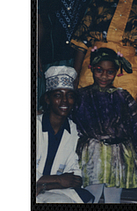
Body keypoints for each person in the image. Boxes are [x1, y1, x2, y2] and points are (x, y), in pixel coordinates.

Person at [71, 47, 137, 203]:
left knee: (113, 197)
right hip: (93, 154)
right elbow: (70, 120)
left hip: (117, 155)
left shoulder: (123, 96)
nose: (104, 76)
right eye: (99, 70)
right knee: (90, 194)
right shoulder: (81, 96)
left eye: (110, 72)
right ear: (92, 68)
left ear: (117, 72)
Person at [38, 0, 112, 108]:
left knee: (80, 106)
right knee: (51, 106)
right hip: (52, 57)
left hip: (85, 59)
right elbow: (38, 22)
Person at [36, 66, 94, 203]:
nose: (64, 101)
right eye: (58, 95)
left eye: (70, 95)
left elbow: (75, 178)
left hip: (54, 190)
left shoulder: (75, 131)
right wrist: (58, 179)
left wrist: (43, 185)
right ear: (47, 99)